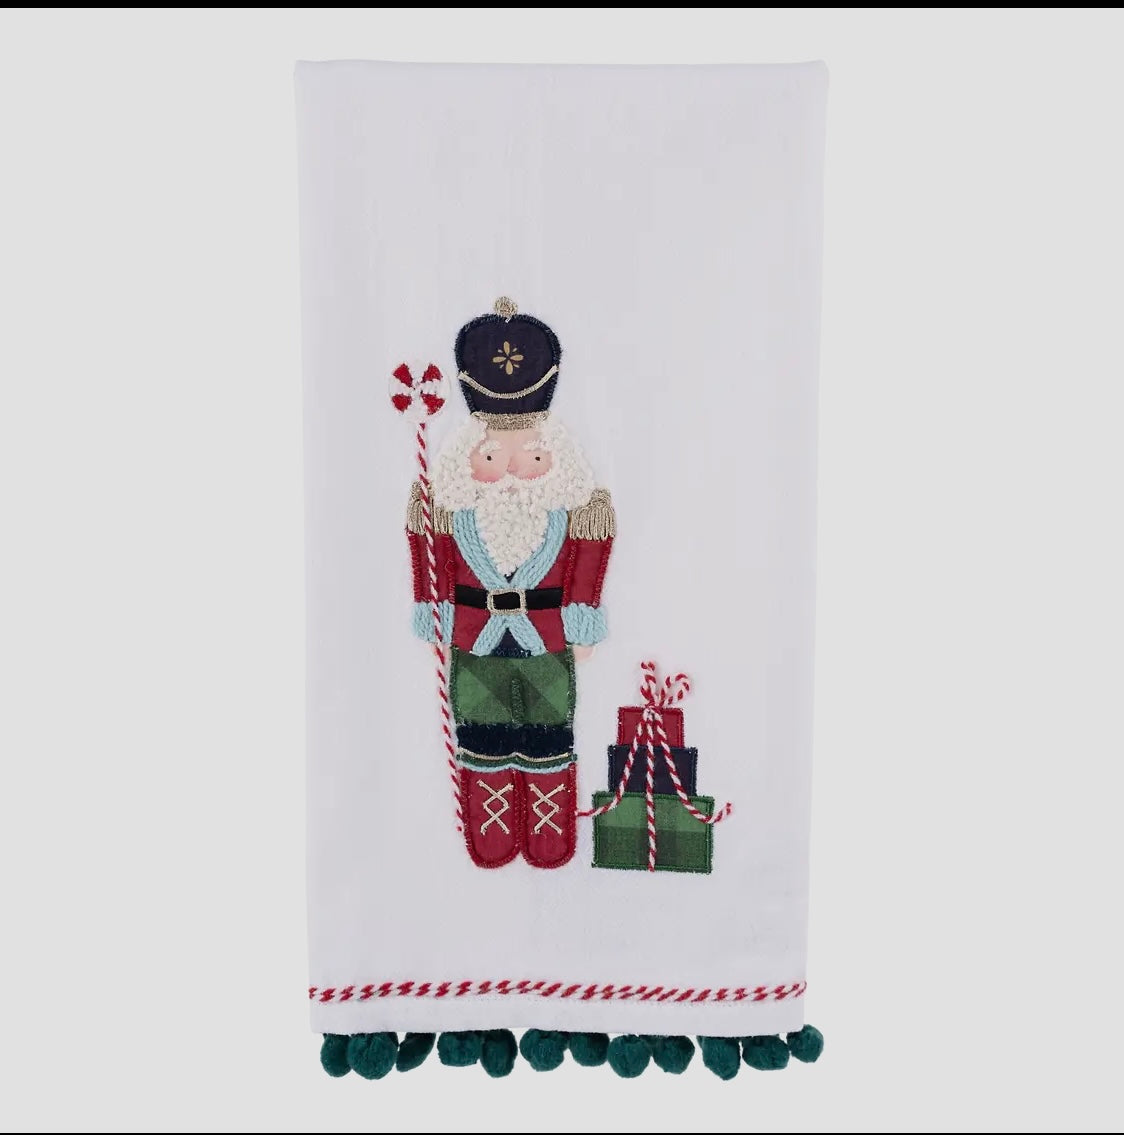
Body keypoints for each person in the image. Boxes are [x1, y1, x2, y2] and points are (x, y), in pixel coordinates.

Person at [406, 299, 614, 869]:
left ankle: (549, 833)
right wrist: (434, 614)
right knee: (482, 738)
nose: (514, 468)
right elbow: (431, 562)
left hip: (545, 640)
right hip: (475, 641)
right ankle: (491, 829)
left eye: (533, 453)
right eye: (494, 454)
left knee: (549, 737)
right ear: (467, 458)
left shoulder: (575, 513)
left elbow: (586, 568)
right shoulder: (450, 512)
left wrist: (582, 625)